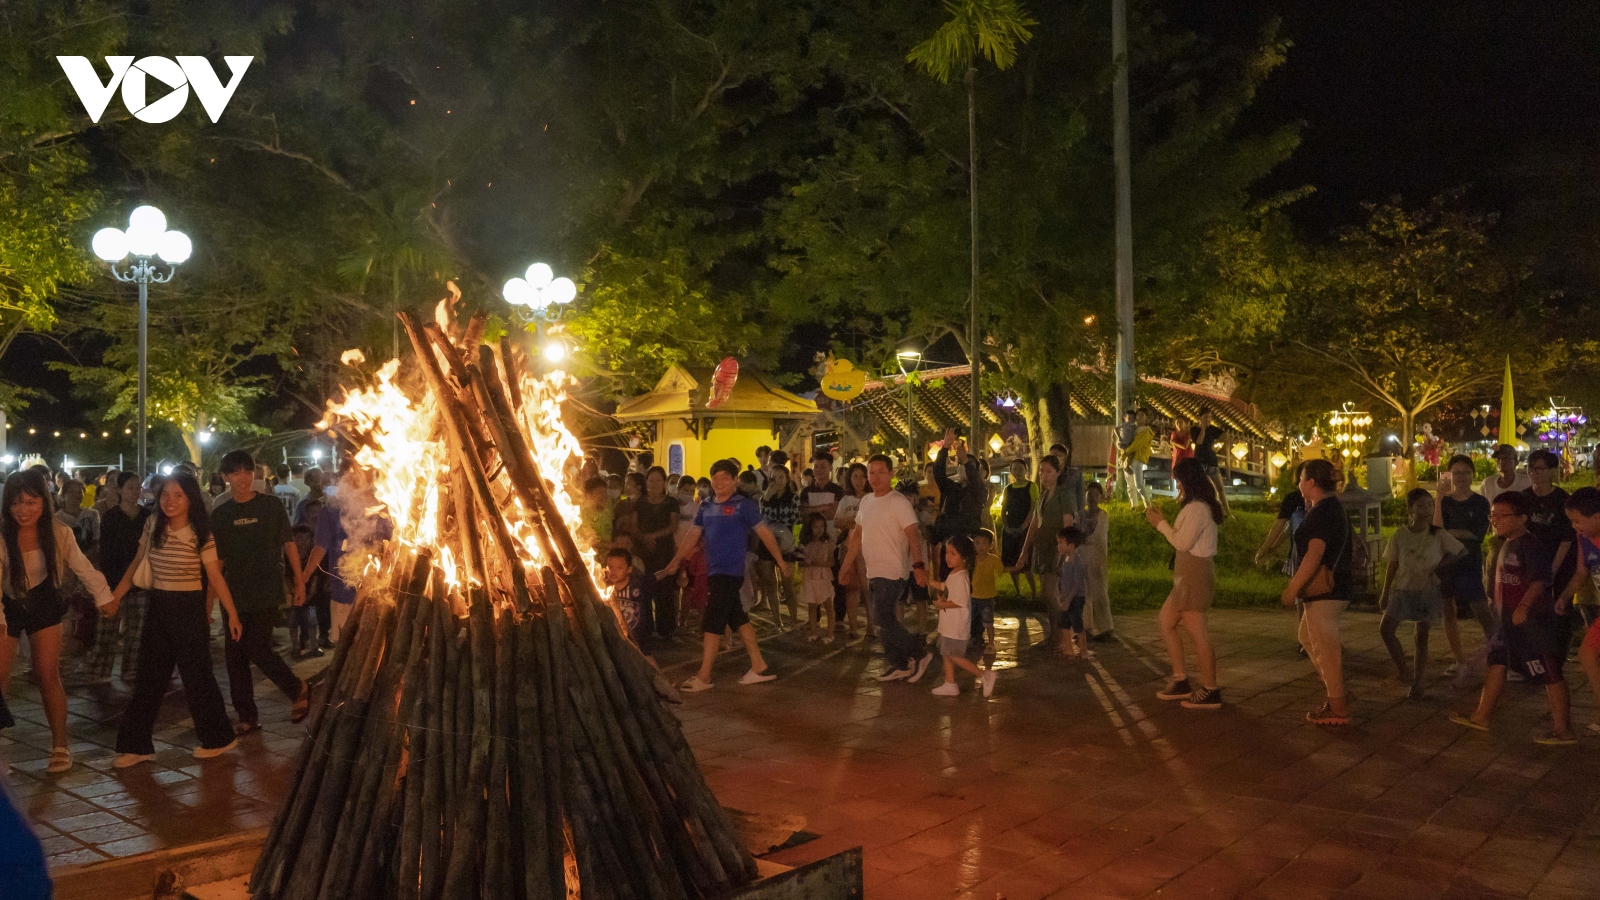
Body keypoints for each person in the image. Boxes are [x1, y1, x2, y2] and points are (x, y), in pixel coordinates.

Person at [106, 472, 243, 768]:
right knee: (148, 677)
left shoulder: (200, 532)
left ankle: (219, 738)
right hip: (159, 605)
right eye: (165, 495)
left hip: (188, 607)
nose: (170, 501)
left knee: (197, 677)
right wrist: (115, 596)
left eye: (178, 495)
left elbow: (215, 576)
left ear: (191, 498)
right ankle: (136, 746)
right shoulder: (153, 523)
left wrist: (231, 614)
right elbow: (137, 562)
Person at [0, 471, 117, 771]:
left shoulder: (59, 531)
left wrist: (104, 596)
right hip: (6, 604)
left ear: (44, 501)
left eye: (30, 501)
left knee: (47, 674)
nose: (23, 510)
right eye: (15, 503)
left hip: (43, 602)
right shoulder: (1, 535)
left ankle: (60, 745)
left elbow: (83, 566)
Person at [1451, 491, 1576, 745]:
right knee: (1497, 662)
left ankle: (1563, 729)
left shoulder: (1530, 545)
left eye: (1502, 515)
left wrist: (1524, 607)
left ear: (1522, 518)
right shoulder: (1504, 543)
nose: (1495, 520)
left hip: (1531, 625)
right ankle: (1482, 715)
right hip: (1506, 624)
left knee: (1549, 672)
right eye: (1492, 515)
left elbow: (1540, 581)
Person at [663, 459, 789, 692]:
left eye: (725, 477)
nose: (719, 481)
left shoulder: (744, 505)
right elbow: (692, 534)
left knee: (712, 620)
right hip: (714, 570)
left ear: (734, 480)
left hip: (730, 572)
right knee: (737, 617)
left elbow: (765, 533)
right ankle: (759, 666)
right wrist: (676, 561)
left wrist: (780, 561)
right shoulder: (707, 505)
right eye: (715, 477)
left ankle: (704, 676)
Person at [211, 451, 309, 736]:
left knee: (258, 647)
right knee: (235, 656)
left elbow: (289, 544)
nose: (243, 478)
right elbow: (216, 564)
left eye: (247, 471)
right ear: (226, 477)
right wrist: (210, 602)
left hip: (267, 589)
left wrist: (299, 582)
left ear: (254, 474)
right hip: (235, 594)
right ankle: (247, 716)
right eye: (235, 473)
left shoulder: (270, 506)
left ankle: (297, 689)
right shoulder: (221, 515)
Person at [839, 454, 931, 682]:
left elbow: (913, 536)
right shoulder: (867, 501)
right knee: (884, 619)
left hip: (892, 571)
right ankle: (900, 663)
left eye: (881, 472)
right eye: (872, 472)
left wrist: (919, 566)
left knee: (881, 616)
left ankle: (920, 653)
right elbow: (858, 536)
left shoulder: (899, 502)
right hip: (873, 569)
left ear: (891, 474)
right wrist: (846, 565)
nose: (875, 477)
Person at [1145, 458, 1224, 710]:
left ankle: (1210, 688)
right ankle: (1180, 679)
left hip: (1195, 573)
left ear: (1188, 480)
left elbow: (1182, 542)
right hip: (1187, 573)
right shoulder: (1195, 507)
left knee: (1197, 632)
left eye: (1178, 480)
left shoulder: (1198, 508)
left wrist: (1160, 524)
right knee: (1166, 621)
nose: (1177, 484)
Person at [1281, 459, 1353, 725]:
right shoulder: (1330, 508)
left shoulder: (1324, 511)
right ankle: (1338, 693)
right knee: (1308, 638)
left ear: (1311, 482)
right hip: (1333, 590)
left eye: (1301, 478)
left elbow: (1314, 553)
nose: (1299, 483)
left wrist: (1293, 587)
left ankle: (1338, 707)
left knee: (1326, 647)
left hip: (1326, 591)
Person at [1379, 488, 1464, 699]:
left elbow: (1461, 552)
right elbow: (1393, 564)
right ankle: (1404, 671)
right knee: (1386, 629)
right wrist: (1385, 591)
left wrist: (1440, 566)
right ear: (1410, 509)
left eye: (1430, 504)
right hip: (1402, 588)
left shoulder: (1438, 534)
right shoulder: (1400, 534)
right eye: (1420, 505)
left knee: (1421, 636)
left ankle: (1417, 681)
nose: (1426, 509)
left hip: (1428, 589)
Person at [300, 461, 392, 643]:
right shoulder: (332, 510)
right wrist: (304, 578)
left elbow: (392, 546)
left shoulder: (383, 509)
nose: (357, 479)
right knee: (345, 642)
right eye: (352, 475)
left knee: (375, 643)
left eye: (362, 474)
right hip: (343, 590)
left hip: (378, 591)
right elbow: (320, 547)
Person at [85, 472, 152, 683]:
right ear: (120, 490)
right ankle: (100, 670)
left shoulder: (146, 516)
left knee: (137, 631)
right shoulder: (111, 517)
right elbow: (106, 552)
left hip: (140, 581)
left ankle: (130, 669)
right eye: (130, 487)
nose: (135, 492)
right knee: (107, 629)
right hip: (114, 580)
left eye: (138, 487)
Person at [1436, 455, 1495, 677]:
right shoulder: (1444, 501)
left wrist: (1450, 533)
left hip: (1469, 561)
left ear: (1472, 474)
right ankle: (1459, 659)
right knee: (1447, 609)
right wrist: (1439, 498)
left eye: (1465, 472)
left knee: (1481, 608)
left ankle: (1498, 656)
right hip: (1444, 563)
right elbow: (1436, 530)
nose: (1461, 477)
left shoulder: (1480, 502)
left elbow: (1476, 535)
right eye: (1456, 472)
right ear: (1449, 474)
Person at [1012, 454, 1075, 648]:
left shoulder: (1064, 495)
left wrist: (1063, 551)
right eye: (1041, 471)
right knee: (1047, 595)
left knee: (1050, 593)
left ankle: (1061, 635)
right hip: (1042, 548)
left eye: (1048, 471)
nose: (1044, 475)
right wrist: (1024, 552)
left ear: (1058, 473)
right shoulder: (1042, 496)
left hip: (1056, 549)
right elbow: (1033, 525)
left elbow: (1068, 524)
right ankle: (1056, 634)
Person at [927, 534, 996, 698]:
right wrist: (929, 581)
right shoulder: (954, 574)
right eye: (947, 553)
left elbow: (961, 601)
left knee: (953, 655)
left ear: (964, 557)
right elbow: (946, 587)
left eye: (953, 554)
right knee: (946, 652)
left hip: (955, 627)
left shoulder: (961, 577)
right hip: (949, 625)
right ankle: (950, 683)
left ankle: (983, 675)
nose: (948, 557)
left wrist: (941, 605)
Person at [1523, 448, 1577, 655]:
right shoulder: (1524, 498)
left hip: (1559, 562)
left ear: (1552, 471)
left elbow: (1566, 539)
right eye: (1531, 469)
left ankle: (1558, 654)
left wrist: (1552, 570)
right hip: (1531, 561)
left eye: (1540, 469)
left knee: (1559, 608)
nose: (1534, 473)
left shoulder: (1563, 500)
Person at [1560, 488, 1600, 732]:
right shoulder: (1584, 537)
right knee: (1587, 654)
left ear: (1597, 516)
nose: (1575, 527)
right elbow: (1582, 572)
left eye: (1577, 521)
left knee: (1587, 653)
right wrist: (1565, 596)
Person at [633, 467, 680, 640]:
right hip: (643, 550)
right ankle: (645, 629)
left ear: (664, 483)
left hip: (664, 550)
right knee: (643, 588)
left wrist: (652, 536)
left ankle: (666, 629)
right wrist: (644, 538)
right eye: (650, 480)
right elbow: (633, 525)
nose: (654, 484)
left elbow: (673, 526)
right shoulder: (640, 502)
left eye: (658, 480)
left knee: (664, 590)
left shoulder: (671, 503)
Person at [755, 464, 800, 627]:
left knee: (788, 583)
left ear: (787, 479)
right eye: (774, 477)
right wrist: (767, 498)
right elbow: (761, 519)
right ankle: (777, 621)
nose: (778, 481)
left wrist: (777, 525)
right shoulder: (765, 498)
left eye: (781, 477)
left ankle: (794, 620)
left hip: (786, 542)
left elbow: (793, 517)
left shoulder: (794, 497)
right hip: (767, 541)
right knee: (770, 582)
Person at [834, 462, 873, 640]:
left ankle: (871, 627)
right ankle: (853, 627)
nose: (858, 480)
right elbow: (837, 522)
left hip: (867, 548)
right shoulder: (846, 500)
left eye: (862, 476)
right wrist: (854, 521)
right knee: (851, 588)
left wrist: (852, 522)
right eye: (854, 476)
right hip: (848, 547)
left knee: (867, 589)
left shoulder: (872, 498)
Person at [1078, 482, 1114, 641]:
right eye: (1089, 493)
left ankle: (1106, 628)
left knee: (1100, 594)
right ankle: (1086, 627)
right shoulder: (1079, 515)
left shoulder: (1103, 516)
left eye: (1095, 494)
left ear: (1100, 497)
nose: (1091, 497)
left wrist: (1083, 538)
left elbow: (1097, 537)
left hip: (1097, 558)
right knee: (1083, 594)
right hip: (1082, 557)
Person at [998, 458, 1038, 600]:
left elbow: (1033, 509)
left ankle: (1034, 592)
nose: (1017, 472)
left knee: (1025, 562)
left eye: (1020, 469)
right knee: (1011, 561)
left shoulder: (1032, 486)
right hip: (1010, 527)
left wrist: (1024, 527)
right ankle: (1017, 592)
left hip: (1025, 528)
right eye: (1014, 469)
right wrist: (1007, 526)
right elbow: (1004, 509)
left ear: (1026, 470)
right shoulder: (1008, 489)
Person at [602, 547, 652, 646]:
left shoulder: (638, 584)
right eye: (610, 567)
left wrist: (668, 569)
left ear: (629, 569)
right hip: (612, 640)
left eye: (619, 568)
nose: (613, 571)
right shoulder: (602, 587)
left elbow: (656, 577)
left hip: (637, 638)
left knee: (646, 659)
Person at [798, 513, 836, 642]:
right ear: (810, 528)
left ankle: (830, 633)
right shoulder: (804, 544)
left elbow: (831, 561)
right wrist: (806, 562)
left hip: (823, 576)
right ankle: (814, 631)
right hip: (810, 577)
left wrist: (819, 563)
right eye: (815, 526)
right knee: (812, 605)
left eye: (821, 526)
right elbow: (800, 562)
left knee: (828, 605)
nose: (819, 529)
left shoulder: (827, 543)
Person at [1055, 527, 1090, 658]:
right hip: (1066, 598)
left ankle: (1084, 650)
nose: (1058, 545)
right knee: (1064, 624)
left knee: (1077, 625)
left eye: (1061, 542)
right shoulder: (1064, 561)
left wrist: (1068, 600)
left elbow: (1077, 584)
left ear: (1071, 545)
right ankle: (1068, 648)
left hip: (1075, 598)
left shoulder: (1077, 562)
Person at [1190, 409, 1230, 517]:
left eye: (1210, 417)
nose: (1208, 419)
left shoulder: (1212, 429)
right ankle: (1205, 512)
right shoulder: (1194, 429)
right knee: (1204, 488)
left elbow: (1226, 435)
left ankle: (1227, 512)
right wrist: (1203, 429)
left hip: (1212, 461)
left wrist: (1217, 443)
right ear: (1200, 418)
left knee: (1220, 487)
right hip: (1200, 462)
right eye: (1206, 417)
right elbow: (1199, 441)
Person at [969, 529, 1000, 651]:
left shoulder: (993, 559)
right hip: (973, 595)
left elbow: (1001, 571)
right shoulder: (971, 559)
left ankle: (991, 642)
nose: (980, 546)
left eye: (984, 543)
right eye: (977, 543)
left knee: (987, 620)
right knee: (972, 618)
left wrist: (1017, 567)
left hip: (987, 597)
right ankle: (975, 637)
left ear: (990, 545)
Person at [578, 476, 615, 553]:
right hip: (593, 555)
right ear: (589, 495)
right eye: (600, 493)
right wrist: (612, 545)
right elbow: (590, 540)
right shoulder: (583, 514)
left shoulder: (608, 507)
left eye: (605, 492)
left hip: (610, 553)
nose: (604, 496)